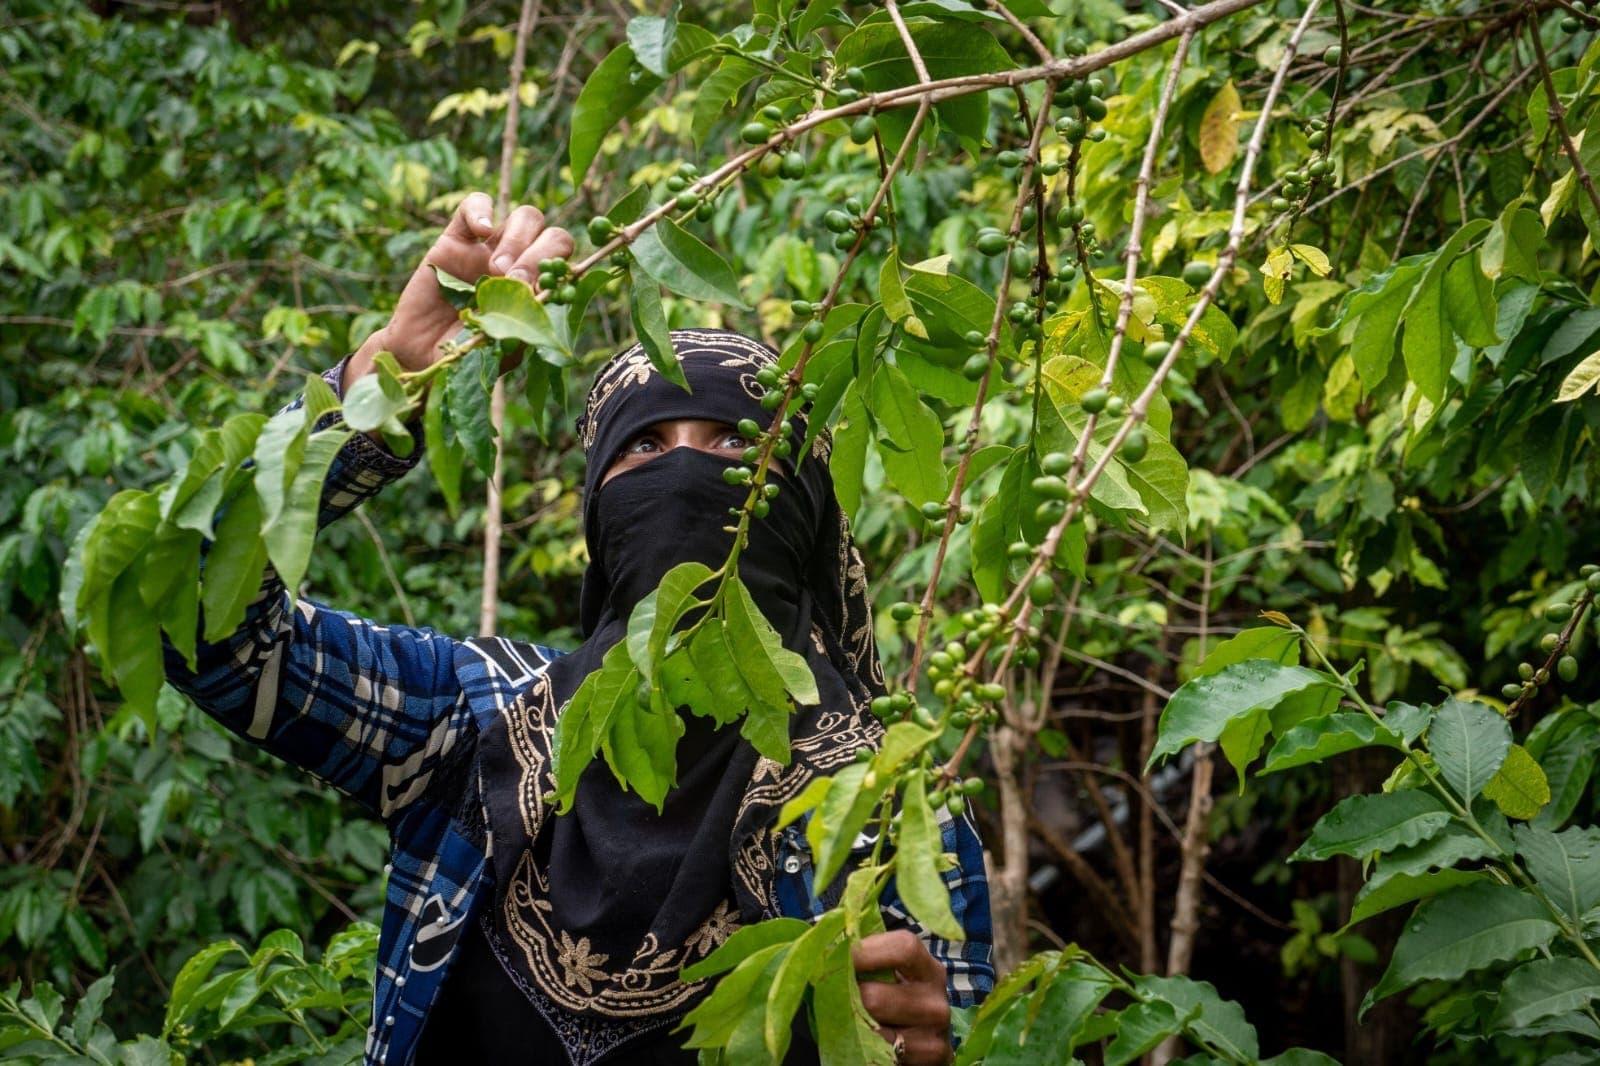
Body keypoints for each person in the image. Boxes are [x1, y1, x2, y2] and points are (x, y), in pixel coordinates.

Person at [165, 193, 993, 1066]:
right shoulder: (473, 718)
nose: (683, 472)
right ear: (600, 521)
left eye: (735, 447)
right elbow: (194, 621)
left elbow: (956, 1023)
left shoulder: (887, 809)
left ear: (804, 513)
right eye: (643, 449)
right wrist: (379, 393)